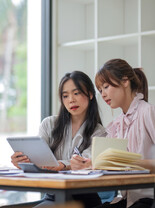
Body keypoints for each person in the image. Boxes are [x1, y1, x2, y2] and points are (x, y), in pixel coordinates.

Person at [4, 71, 106, 208]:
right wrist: (24, 163)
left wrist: (63, 165)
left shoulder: (99, 132)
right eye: (65, 96)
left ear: (90, 94)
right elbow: (38, 158)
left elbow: (86, 162)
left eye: (76, 93)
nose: (71, 100)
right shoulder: (48, 124)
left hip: (84, 199)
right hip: (52, 196)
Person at [94, 58, 155, 208]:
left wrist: (128, 163)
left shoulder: (148, 112)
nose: (103, 94)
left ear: (125, 81)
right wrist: (90, 164)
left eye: (106, 87)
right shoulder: (117, 124)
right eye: (100, 90)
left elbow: (123, 163)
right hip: (127, 199)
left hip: (149, 199)